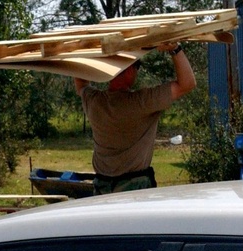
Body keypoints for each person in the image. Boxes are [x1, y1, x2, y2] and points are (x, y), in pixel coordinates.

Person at [74, 43, 196, 195]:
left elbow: (81, 84)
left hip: (102, 186)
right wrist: (175, 49)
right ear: (130, 70)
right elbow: (187, 84)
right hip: (135, 188)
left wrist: (85, 55)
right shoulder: (142, 102)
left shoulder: (94, 101)